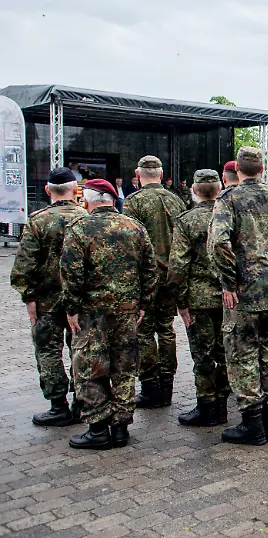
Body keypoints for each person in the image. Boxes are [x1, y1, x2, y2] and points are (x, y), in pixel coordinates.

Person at [209, 147, 268, 446]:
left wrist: (230, 281)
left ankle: (254, 425)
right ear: (263, 168)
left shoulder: (229, 199)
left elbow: (218, 243)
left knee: (244, 355)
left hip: (245, 295)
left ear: (238, 169)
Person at [60, 179, 156, 449]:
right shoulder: (135, 227)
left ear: (88, 200)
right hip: (126, 312)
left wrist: (71, 309)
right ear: (113, 200)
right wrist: (143, 304)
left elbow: (71, 274)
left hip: (92, 314)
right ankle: (121, 426)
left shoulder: (80, 228)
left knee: (90, 368)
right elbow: (150, 271)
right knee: (124, 368)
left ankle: (98, 428)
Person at [11, 167, 89, 427]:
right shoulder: (87, 217)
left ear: (48, 190)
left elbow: (24, 265)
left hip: (47, 299)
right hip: (80, 298)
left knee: (48, 350)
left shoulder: (38, 220)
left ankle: (58, 406)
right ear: (76, 189)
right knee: (81, 348)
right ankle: (82, 402)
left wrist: (28, 297)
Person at [123, 155, 187, 408]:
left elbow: (130, 243)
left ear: (139, 175)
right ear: (161, 175)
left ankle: (150, 386)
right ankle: (167, 383)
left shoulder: (133, 202)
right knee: (167, 329)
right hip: (172, 274)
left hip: (145, 277)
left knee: (144, 331)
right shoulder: (176, 201)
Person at [167, 170, 229, 427]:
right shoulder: (230, 216)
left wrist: (180, 302)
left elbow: (178, 265)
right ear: (218, 188)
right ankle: (223, 405)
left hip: (200, 300)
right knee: (225, 353)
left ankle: (207, 407)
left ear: (193, 189)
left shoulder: (187, 221)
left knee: (203, 356)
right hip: (229, 298)